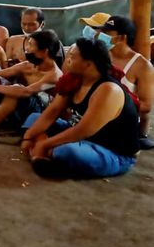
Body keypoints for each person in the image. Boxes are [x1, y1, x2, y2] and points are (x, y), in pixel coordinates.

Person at [22, 38, 140, 179]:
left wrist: (44, 144)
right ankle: (46, 153)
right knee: (35, 118)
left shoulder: (108, 90)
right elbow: (52, 112)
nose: (67, 60)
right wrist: (28, 136)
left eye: (72, 57)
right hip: (78, 134)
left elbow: (82, 131)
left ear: (88, 64)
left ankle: (48, 153)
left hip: (112, 151)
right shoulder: (74, 80)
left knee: (67, 152)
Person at [99, 16, 154, 150]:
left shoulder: (142, 66)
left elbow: (146, 106)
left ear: (122, 38)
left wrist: (113, 106)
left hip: (121, 121)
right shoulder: (102, 54)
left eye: (107, 34)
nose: (102, 36)